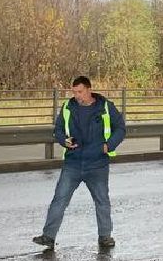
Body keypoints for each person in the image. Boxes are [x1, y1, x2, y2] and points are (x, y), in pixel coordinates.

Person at [34, 76, 126, 251]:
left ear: (89, 90)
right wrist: (64, 140)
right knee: (59, 200)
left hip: (97, 163)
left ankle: (105, 236)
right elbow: (58, 130)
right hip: (73, 162)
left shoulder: (106, 107)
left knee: (102, 201)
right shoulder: (68, 107)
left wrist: (108, 145)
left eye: (80, 92)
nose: (76, 95)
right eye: (74, 92)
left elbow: (121, 128)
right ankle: (48, 237)